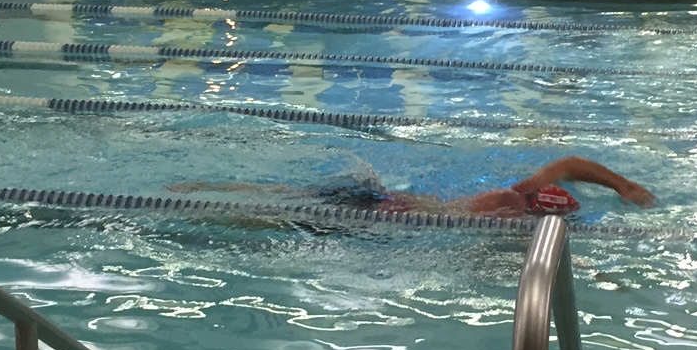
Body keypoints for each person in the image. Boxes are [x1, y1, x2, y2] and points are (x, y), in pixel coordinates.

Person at [170, 155, 655, 219]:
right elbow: (570, 166)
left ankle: (202, 186)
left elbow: (570, 165)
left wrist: (624, 186)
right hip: (382, 215)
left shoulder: (517, 193)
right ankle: (201, 200)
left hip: (385, 202)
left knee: (283, 198)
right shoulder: (510, 216)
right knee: (270, 215)